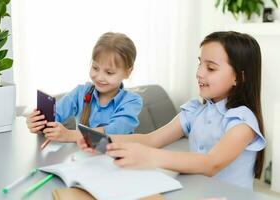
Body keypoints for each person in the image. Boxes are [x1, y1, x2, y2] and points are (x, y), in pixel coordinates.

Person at [78, 31, 265, 189]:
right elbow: (150, 140)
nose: (200, 72)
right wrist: (101, 140)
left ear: (239, 78)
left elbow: (211, 164)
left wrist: (151, 157)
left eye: (210, 68)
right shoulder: (195, 111)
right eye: (200, 63)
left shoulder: (243, 123)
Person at [26, 32, 142, 142]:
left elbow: (114, 132)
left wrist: (70, 135)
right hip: (82, 159)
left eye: (109, 73)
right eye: (95, 68)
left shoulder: (132, 102)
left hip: (116, 160)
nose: (100, 77)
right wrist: (39, 123)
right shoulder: (80, 93)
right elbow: (55, 115)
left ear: (128, 72)